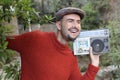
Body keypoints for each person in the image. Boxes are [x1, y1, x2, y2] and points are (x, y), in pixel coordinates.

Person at [7, 7, 100, 80]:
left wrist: (94, 64)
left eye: (78, 22)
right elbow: (4, 43)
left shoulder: (71, 58)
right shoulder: (35, 39)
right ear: (59, 25)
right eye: (70, 21)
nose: (75, 26)